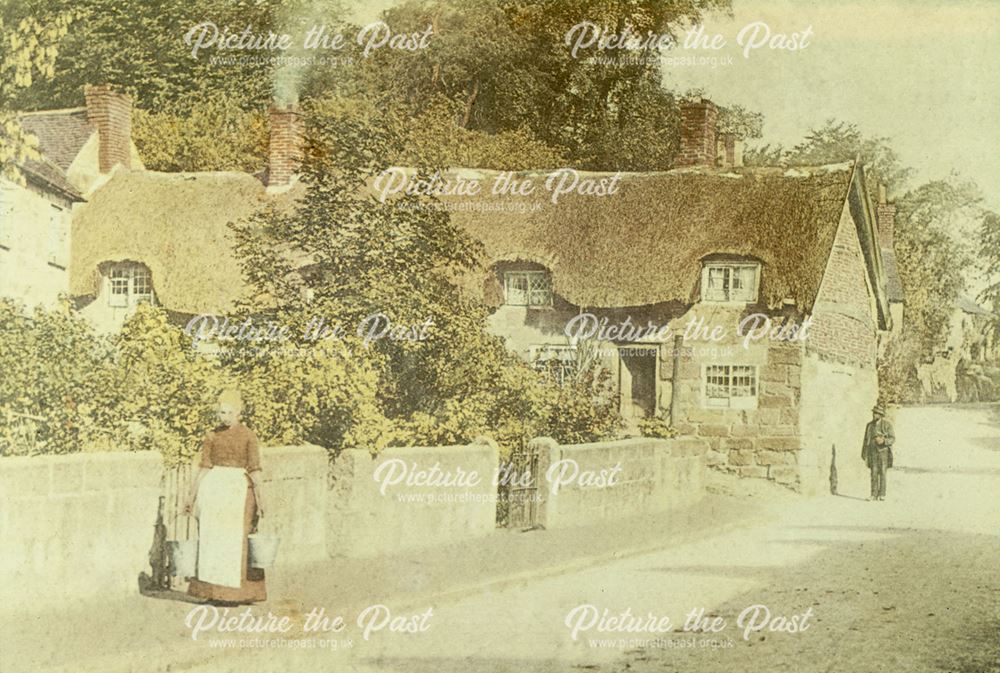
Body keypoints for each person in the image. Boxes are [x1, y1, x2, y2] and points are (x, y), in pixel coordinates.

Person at [183, 390, 267, 603]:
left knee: (236, 539)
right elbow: (204, 467)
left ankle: (237, 593)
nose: (225, 417)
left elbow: (255, 468)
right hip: (214, 490)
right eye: (221, 413)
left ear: (239, 413)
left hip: (238, 490)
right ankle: (213, 591)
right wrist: (191, 496)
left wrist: (261, 497)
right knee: (214, 539)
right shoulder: (211, 436)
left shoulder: (248, 436)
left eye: (229, 412)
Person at [861, 403, 895, 501]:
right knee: (873, 473)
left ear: (880, 415)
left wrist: (884, 441)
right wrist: (864, 452)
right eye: (874, 413)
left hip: (883, 452)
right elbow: (865, 439)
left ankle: (882, 494)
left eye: (876, 413)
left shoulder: (887, 425)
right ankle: (873, 494)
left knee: (883, 473)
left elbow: (893, 438)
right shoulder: (869, 425)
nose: (874, 415)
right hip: (872, 452)